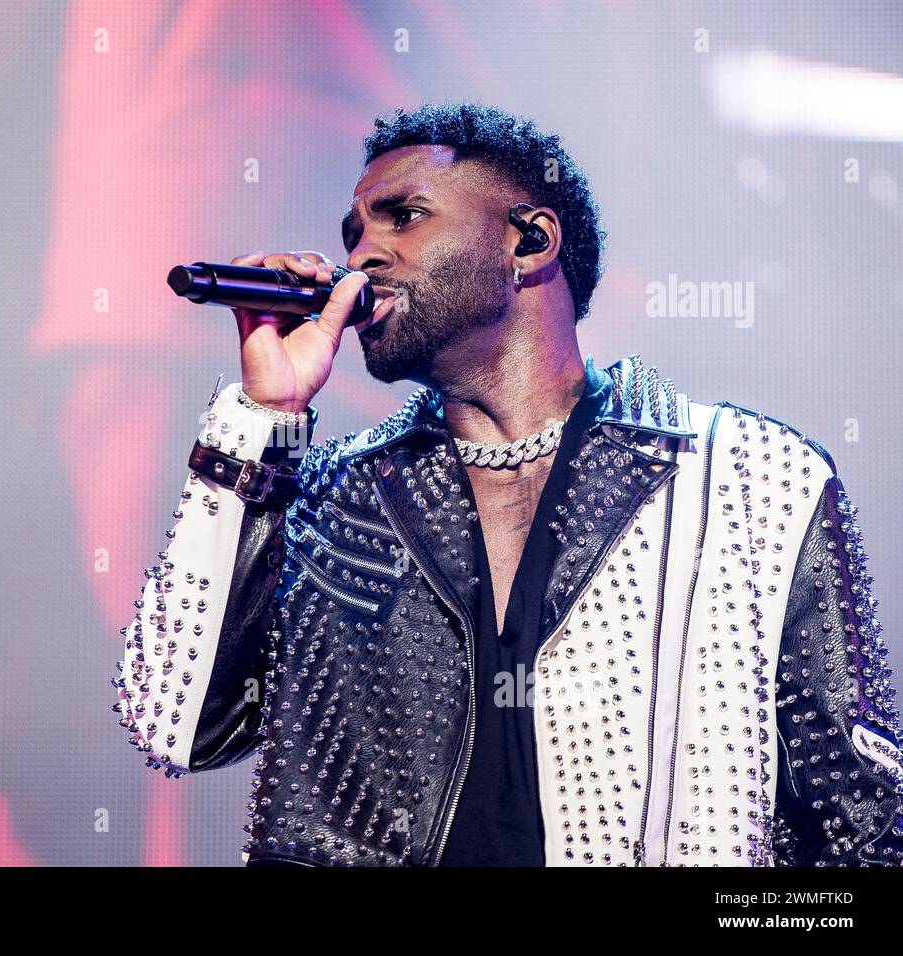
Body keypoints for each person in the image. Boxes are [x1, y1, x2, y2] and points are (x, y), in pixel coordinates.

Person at [113, 102, 903, 866]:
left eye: (404, 216)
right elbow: (173, 724)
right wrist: (261, 417)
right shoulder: (326, 499)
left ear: (529, 242)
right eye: (353, 235)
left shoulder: (752, 479)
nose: (362, 258)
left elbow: (859, 827)